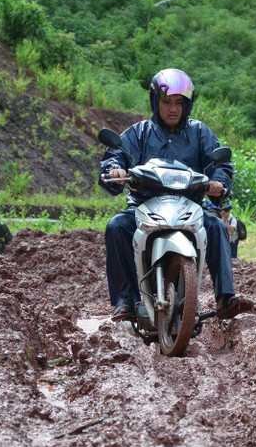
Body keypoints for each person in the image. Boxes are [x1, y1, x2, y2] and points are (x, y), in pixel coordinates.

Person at [99, 68, 246, 321]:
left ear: (187, 105)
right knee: (116, 227)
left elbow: (219, 163)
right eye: (167, 101)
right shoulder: (139, 132)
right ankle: (126, 299)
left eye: (179, 102)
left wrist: (218, 182)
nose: (173, 108)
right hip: (143, 205)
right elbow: (116, 154)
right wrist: (114, 170)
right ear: (155, 102)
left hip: (190, 205)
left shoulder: (200, 133)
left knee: (216, 227)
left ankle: (224, 297)